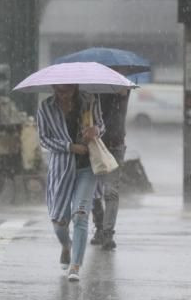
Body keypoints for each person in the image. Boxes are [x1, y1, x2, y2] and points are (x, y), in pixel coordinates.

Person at [36, 84, 104, 282]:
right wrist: (69, 147)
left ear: (74, 88)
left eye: (65, 91)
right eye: (57, 90)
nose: (61, 95)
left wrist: (95, 130)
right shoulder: (46, 107)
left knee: (81, 215)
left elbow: (101, 125)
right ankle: (66, 246)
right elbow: (44, 139)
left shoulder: (90, 102)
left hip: (87, 168)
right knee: (59, 222)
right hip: (61, 168)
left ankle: (75, 266)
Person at [90, 90, 130, 251]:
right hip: (97, 145)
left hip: (116, 145)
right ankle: (99, 226)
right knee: (93, 190)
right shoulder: (94, 93)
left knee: (111, 191)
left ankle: (107, 233)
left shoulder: (122, 90)